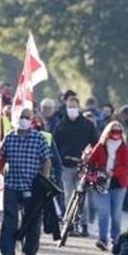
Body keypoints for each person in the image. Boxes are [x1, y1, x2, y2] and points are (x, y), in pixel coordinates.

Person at [0, 108, 53, 255]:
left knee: (32, 221)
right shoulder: (9, 138)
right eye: (21, 117)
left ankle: (29, 254)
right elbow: (1, 159)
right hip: (12, 186)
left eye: (27, 117)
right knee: (10, 220)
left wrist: (44, 180)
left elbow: (47, 161)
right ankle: (7, 253)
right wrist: (3, 174)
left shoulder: (38, 138)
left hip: (32, 187)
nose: (23, 119)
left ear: (32, 120)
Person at [54, 94, 100, 237]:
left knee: (82, 197)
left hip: (83, 167)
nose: (72, 109)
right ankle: (71, 225)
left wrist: (91, 161)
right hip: (66, 166)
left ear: (79, 108)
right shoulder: (61, 125)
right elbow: (55, 145)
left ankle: (84, 224)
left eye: (74, 107)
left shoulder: (87, 125)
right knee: (68, 196)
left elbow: (96, 144)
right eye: (69, 107)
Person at [85, 121, 128, 251]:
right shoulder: (101, 146)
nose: (116, 134)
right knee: (103, 213)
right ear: (108, 132)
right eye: (113, 131)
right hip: (101, 184)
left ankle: (115, 239)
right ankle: (102, 239)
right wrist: (95, 171)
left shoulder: (123, 147)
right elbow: (90, 162)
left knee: (116, 214)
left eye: (118, 131)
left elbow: (127, 166)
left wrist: (113, 172)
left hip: (118, 184)